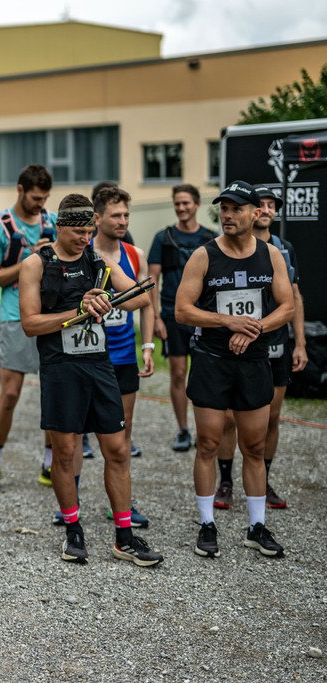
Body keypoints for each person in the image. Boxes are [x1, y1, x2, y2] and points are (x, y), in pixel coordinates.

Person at [20, 193, 162, 567]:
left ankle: (124, 535)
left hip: (100, 366)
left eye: (90, 231)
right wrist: (79, 310)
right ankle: (73, 529)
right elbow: (30, 324)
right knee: (65, 453)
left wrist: (109, 299)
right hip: (61, 368)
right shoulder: (37, 263)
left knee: (117, 449)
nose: (86, 238)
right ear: (60, 227)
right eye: (79, 232)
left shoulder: (98, 259)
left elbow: (138, 300)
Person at [175, 180, 294, 559]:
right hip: (212, 359)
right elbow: (182, 310)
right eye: (223, 208)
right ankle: (207, 524)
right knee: (209, 442)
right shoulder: (204, 255)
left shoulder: (271, 255)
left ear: (255, 213)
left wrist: (255, 327)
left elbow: (287, 306)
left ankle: (256, 527)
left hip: (255, 359)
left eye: (235, 208)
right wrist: (227, 322)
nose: (227, 215)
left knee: (254, 446)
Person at [213, 185, 307, 511]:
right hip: (231, 348)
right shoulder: (220, 248)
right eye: (261, 203)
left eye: (271, 205)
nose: (266, 209)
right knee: (226, 419)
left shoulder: (283, 249)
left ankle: (262, 481)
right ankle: (225, 481)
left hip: (274, 344)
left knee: (271, 418)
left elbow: (293, 299)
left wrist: (301, 343)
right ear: (253, 211)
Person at [0, 164, 55, 492]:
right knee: (9, 393)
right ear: (20, 190)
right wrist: (28, 263)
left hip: (53, 314)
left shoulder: (53, 222)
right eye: (36, 198)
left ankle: (51, 464)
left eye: (45, 198)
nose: (40, 204)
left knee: (55, 394)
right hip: (15, 314)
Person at [89, 187, 153, 526]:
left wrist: (148, 346)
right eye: (116, 215)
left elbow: (146, 303)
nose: (123, 221)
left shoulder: (134, 253)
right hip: (86, 355)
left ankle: (124, 503)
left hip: (124, 354)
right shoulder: (81, 251)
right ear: (98, 218)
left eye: (126, 215)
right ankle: (69, 503)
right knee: (73, 440)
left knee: (122, 436)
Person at [148, 184, 218, 452]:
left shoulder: (211, 239)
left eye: (186, 203)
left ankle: (206, 430)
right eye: (177, 203)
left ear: (197, 204)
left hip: (205, 317)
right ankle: (183, 429)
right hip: (172, 315)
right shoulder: (163, 238)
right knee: (178, 374)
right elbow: (152, 280)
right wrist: (156, 318)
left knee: (206, 376)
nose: (181, 208)